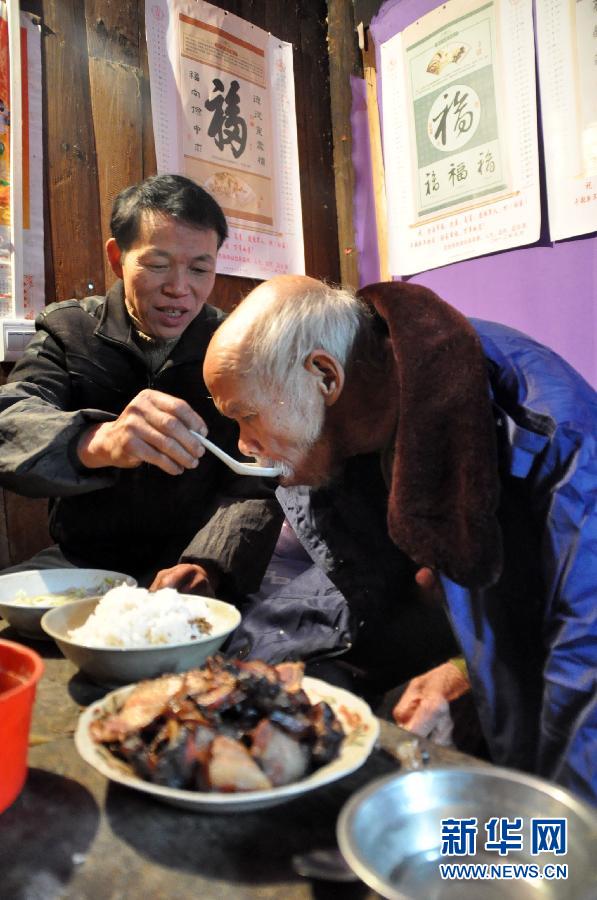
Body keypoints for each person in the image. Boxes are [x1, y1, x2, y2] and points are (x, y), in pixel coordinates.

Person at [193, 274, 596, 803]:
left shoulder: (550, 434)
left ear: (322, 375)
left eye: (245, 417)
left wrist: (561, 853)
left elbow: (585, 655)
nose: (244, 444)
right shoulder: (355, 401)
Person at [0, 174, 281, 593]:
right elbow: (8, 423)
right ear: (118, 258)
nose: (179, 289)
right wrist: (98, 441)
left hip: (192, 566)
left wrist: (211, 565)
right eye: (157, 265)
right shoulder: (69, 329)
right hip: (80, 562)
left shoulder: (235, 346)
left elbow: (257, 481)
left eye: (200, 268)